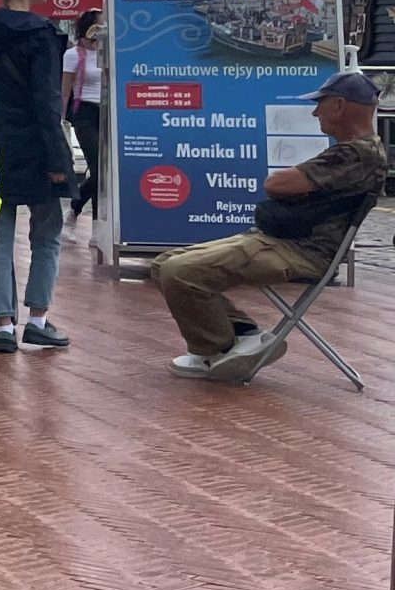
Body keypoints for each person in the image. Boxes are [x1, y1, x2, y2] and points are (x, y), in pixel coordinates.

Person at [151, 70, 387, 383]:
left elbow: (276, 184)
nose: (316, 112)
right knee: (163, 264)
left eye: (321, 104)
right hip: (285, 241)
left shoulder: (355, 153)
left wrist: (295, 187)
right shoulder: (364, 151)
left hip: (301, 250)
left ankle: (217, 351)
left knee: (179, 272)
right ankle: (243, 335)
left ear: (340, 106)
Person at [0, 0, 75, 353]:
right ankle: (38, 319)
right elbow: (47, 101)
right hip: (36, 145)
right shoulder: (41, 34)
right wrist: (59, 162)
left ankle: (1, 325)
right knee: (47, 235)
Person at [63, 9, 105, 217]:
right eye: (99, 24)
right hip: (85, 111)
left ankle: (85, 207)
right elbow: (65, 91)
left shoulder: (107, 52)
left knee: (106, 168)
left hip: (106, 110)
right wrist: (61, 119)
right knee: (98, 168)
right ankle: (84, 207)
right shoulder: (73, 55)